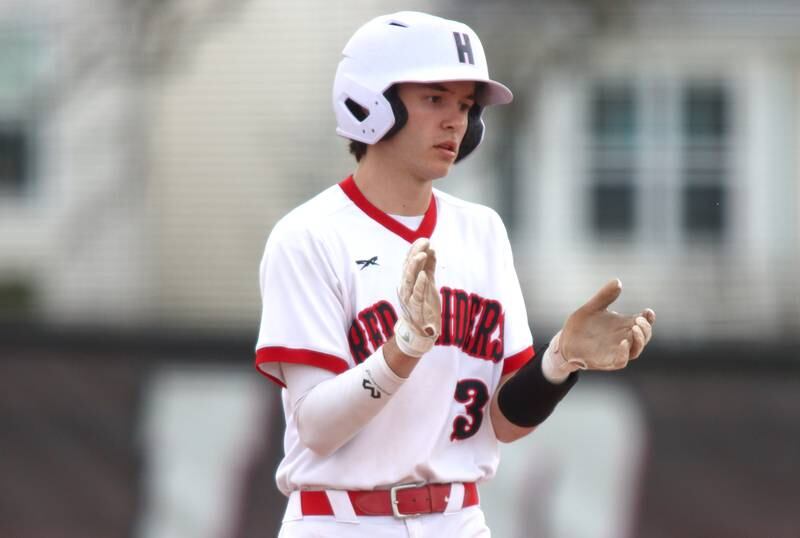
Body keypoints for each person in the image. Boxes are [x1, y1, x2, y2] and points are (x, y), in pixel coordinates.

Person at [254, 11, 655, 538]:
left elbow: (502, 423)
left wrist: (560, 361)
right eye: (435, 98)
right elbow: (317, 428)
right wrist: (401, 352)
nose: (456, 121)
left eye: (466, 106)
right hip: (340, 521)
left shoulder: (481, 231)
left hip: (459, 520)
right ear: (374, 99)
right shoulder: (309, 235)